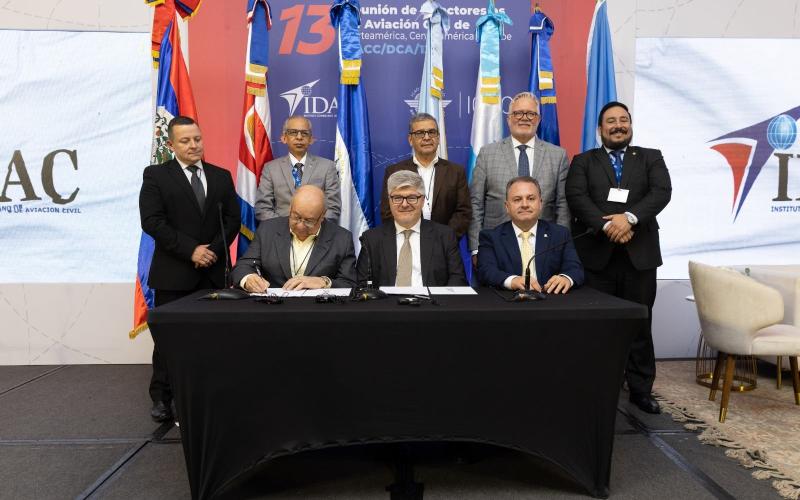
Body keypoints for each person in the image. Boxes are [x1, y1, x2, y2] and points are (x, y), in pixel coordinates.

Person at [565, 101, 672, 414]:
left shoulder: (651, 157)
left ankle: (640, 390)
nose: (617, 125)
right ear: (600, 129)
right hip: (597, 257)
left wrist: (629, 218)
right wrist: (608, 225)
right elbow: (576, 197)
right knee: (598, 328)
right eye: (610, 121)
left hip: (640, 257)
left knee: (640, 325)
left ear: (630, 125)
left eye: (623, 120)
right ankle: (597, 389)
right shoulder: (583, 161)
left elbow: (661, 192)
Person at [139, 116, 240, 422]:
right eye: (185, 141)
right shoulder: (156, 175)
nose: (194, 145)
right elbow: (152, 221)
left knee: (213, 340)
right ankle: (162, 398)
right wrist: (191, 251)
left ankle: (212, 394)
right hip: (174, 274)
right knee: (170, 341)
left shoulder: (221, 176)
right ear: (171, 145)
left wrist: (211, 252)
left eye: (197, 138)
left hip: (213, 272)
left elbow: (232, 221)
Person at [469, 92, 570, 265]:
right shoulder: (487, 153)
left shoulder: (557, 155)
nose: (524, 118)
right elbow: (475, 203)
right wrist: (477, 247)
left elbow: (563, 205)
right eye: (518, 113)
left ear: (538, 119)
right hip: (495, 248)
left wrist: (560, 246)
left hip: (544, 249)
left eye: (530, 114)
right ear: (509, 119)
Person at [233, 185, 356, 291]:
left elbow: (350, 284)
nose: (301, 226)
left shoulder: (342, 239)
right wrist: (248, 278)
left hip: (318, 311)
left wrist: (324, 282)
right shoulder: (267, 230)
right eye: (296, 217)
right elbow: (243, 266)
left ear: (322, 215)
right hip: (272, 310)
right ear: (290, 208)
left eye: (309, 221)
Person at [358, 170, 467, 287]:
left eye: (412, 197)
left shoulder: (445, 236)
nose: (404, 204)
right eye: (397, 198)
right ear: (389, 201)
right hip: (386, 303)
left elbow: (458, 279)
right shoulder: (371, 239)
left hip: (432, 303)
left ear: (422, 200)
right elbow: (362, 283)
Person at [478, 176, 583, 292]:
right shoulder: (491, 237)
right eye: (517, 199)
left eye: (531, 198)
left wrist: (565, 278)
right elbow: (486, 271)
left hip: (551, 301)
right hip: (509, 302)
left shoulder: (560, 234)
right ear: (507, 206)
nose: (524, 204)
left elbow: (575, 268)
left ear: (540, 203)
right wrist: (512, 281)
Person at [379, 113, 471, 238]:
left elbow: (463, 212)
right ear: (410, 140)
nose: (427, 137)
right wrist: (413, 238)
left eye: (432, 132)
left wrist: (444, 239)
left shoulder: (456, 172)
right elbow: (387, 212)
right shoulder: (394, 172)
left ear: (438, 138)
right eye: (420, 133)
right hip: (407, 243)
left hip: (445, 247)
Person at [255, 115, 341, 222]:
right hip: (280, 234)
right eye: (293, 132)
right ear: (284, 138)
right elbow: (262, 208)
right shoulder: (271, 169)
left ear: (311, 139)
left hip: (317, 234)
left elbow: (333, 208)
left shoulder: (327, 167)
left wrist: (312, 226)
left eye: (304, 133)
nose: (299, 137)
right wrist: (287, 228)